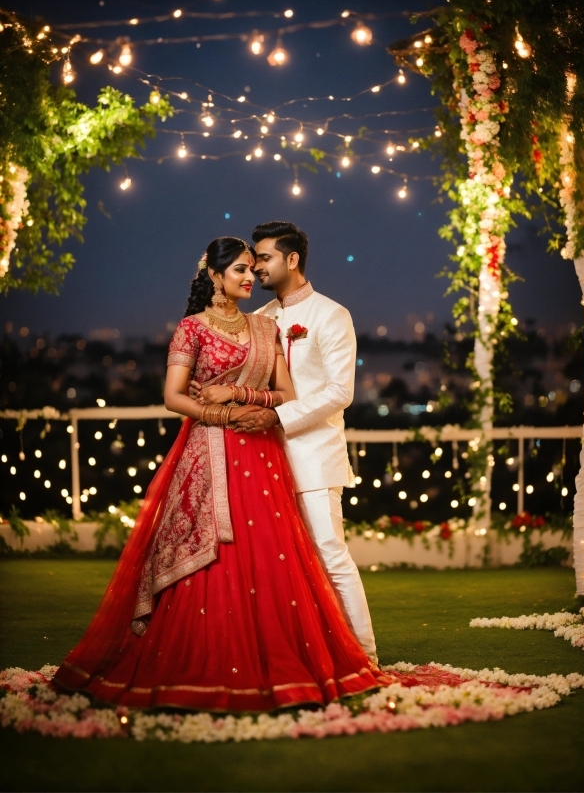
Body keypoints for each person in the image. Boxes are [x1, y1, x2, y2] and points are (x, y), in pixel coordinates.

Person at [53, 236, 388, 712]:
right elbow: (174, 396)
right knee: (218, 555)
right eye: (243, 269)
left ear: (290, 259)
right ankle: (212, 660)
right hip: (213, 450)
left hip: (271, 453)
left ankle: (360, 656)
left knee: (298, 558)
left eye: (258, 265)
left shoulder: (283, 322)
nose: (253, 275)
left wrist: (237, 399)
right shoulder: (198, 327)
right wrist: (220, 416)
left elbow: (300, 394)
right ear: (215, 274)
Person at [190, 221, 378, 663]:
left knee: (330, 555)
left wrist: (275, 415)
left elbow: (339, 392)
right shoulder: (261, 319)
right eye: (253, 259)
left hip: (313, 457)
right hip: (261, 461)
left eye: (266, 257)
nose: (257, 266)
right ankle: (302, 654)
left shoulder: (332, 315)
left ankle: (365, 656)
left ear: (293, 259)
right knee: (278, 568)